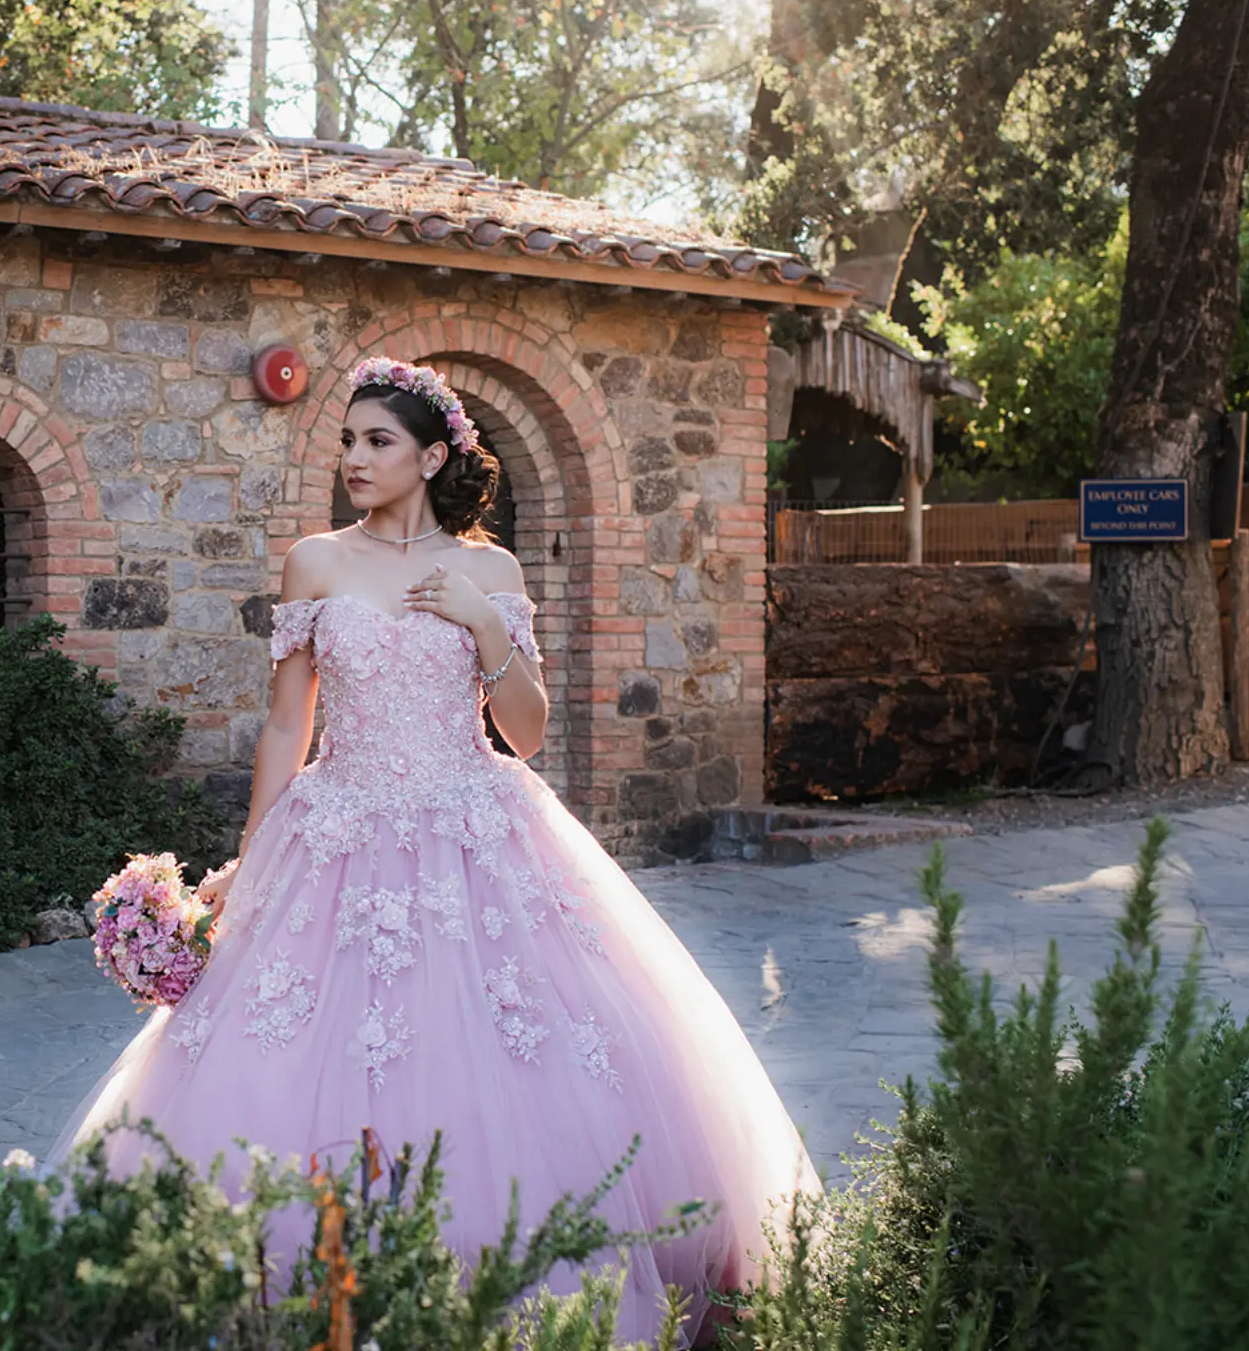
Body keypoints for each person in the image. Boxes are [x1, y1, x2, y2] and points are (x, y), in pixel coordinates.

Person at [47, 357, 818, 1345]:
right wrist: (254, 858)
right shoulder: (315, 563)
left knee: (521, 1053)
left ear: (432, 455)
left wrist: (483, 624)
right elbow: (287, 729)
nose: (354, 458)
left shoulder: (488, 570)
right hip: (338, 827)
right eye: (347, 441)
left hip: (472, 831)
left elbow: (528, 730)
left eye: (377, 441)